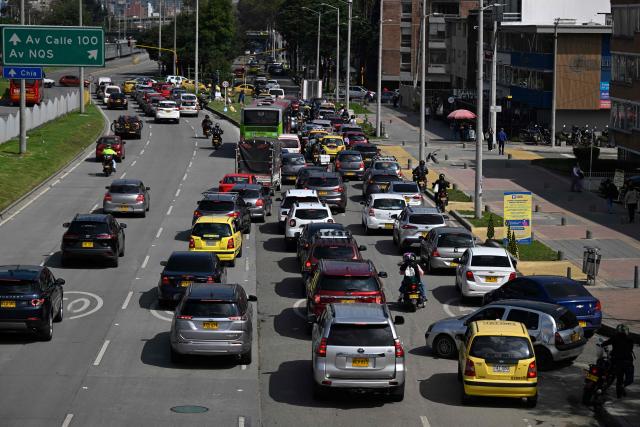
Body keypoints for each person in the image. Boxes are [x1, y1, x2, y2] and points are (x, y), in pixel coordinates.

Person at [601, 324, 635, 398]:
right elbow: (629, 349)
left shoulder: (615, 338)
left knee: (619, 378)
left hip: (618, 361)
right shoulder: (630, 340)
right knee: (629, 379)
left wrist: (602, 344)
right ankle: (623, 386)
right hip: (628, 362)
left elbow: (605, 343)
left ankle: (619, 395)